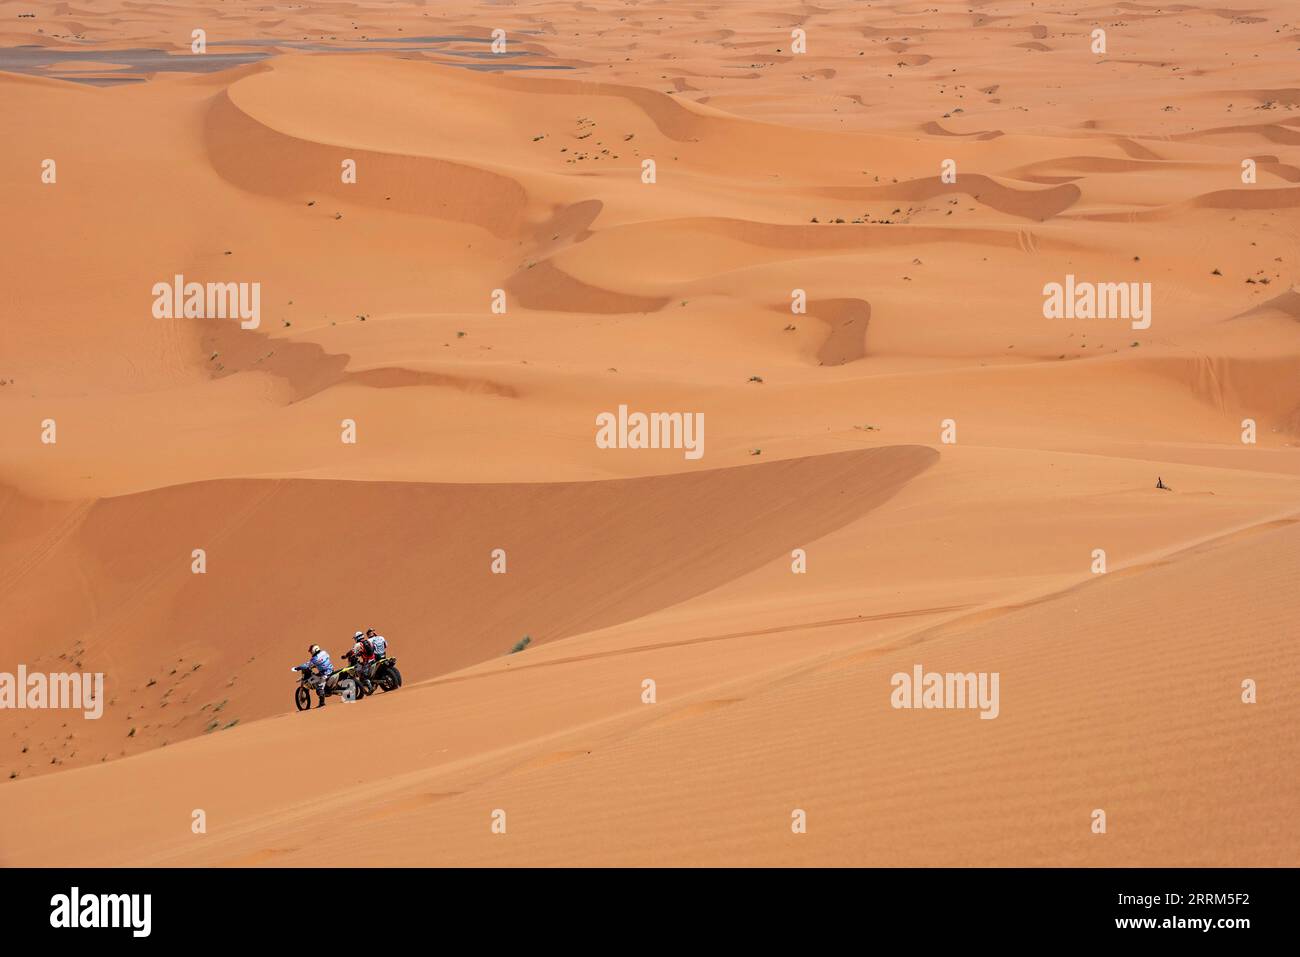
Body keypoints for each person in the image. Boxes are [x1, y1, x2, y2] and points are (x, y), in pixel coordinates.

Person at [292, 643, 333, 708]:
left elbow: (306, 665)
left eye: (311, 651)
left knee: (319, 686)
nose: (311, 653)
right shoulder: (324, 652)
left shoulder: (314, 659)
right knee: (316, 677)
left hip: (325, 674)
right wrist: (317, 665)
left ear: (314, 650)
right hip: (330, 670)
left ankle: (322, 703)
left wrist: (297, 668)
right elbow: (325, 659)